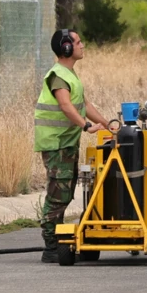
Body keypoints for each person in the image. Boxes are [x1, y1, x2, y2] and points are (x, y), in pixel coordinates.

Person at [33, 28, 118, 263]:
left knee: (66, 190)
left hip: (66, 141)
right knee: (58, 192)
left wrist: (107, 124)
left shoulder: (69, 74)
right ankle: (51, 245)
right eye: (78, 42)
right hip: (56, 142)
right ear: (67, 47)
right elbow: (65, 105)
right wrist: (86, 126)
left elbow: (83, 104)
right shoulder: (58, 75)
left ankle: (58, 240)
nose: (82, 46)